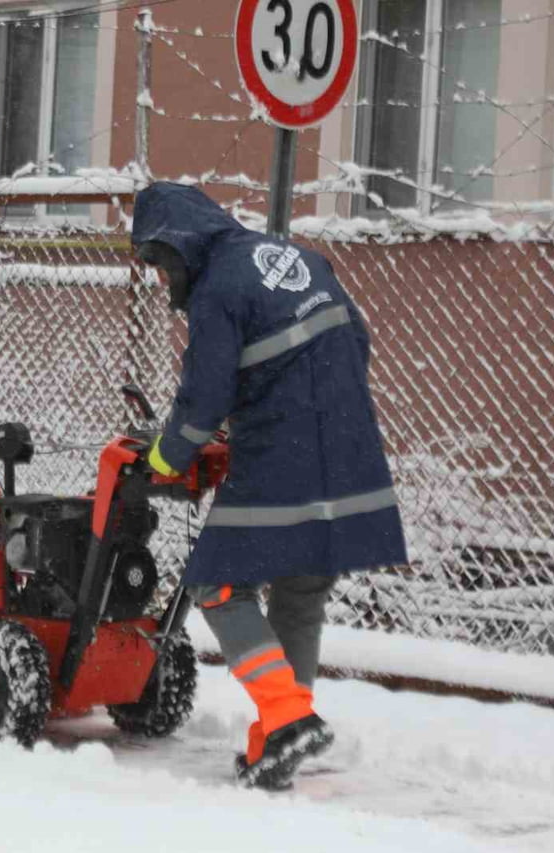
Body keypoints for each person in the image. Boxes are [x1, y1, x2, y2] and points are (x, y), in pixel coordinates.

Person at [131, 182, 408, 790]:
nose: (161, 281)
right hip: (350, 435)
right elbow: (356, 342)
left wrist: (166, 456)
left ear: (180, 247)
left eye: (159, 265)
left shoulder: (216, 290)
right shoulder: (300, 257)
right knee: (301, 587)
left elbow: (203, 401)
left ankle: (286, 717)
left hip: (286, 444)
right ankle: (279, 740)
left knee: (217, 584)